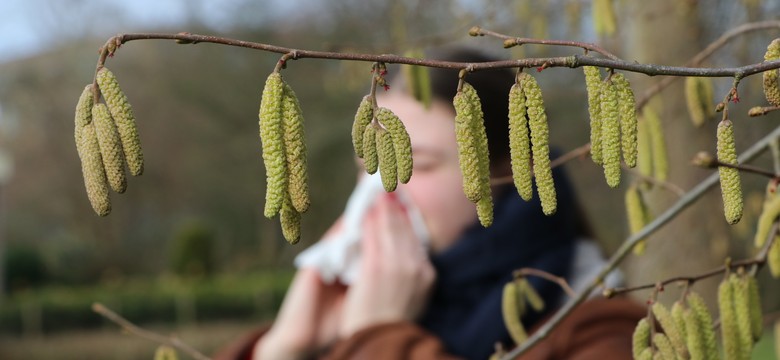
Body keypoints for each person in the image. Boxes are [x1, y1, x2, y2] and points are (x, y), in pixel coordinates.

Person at [215, 48, 645, 360]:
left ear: (506, 170)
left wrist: (377, 339)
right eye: (367, 166)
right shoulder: (340, 320)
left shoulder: (604, 330)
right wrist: (278, 351)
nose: (380, 192)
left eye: (416, 163)